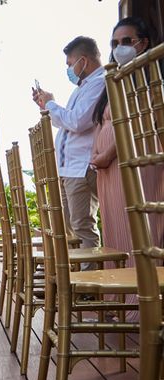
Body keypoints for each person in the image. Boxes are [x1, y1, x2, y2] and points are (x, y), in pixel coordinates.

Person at [91, 17, 164, 316]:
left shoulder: (148, 77)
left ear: (142, 43)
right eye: (114, 43)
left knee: (138, 229)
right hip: (108, 170)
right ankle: (117, 301)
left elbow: (137, 123)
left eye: (125, 42)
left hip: (134, 161)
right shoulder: (116, 78)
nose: (119, 48)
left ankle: (140, 306)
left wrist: (108, 152)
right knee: (114, 229)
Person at [32, 36, 106, 261]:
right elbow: (66, 122)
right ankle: (75, 279)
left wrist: (53, 104)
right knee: (70, 228)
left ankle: (90, 285)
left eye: (70, 63)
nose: (69, 69)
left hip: (81, 166)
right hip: (68, 168)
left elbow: (77, 122)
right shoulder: (82, 87)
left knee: (82, 226)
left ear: (83, 60)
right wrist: (47, 106)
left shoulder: (100, 82)